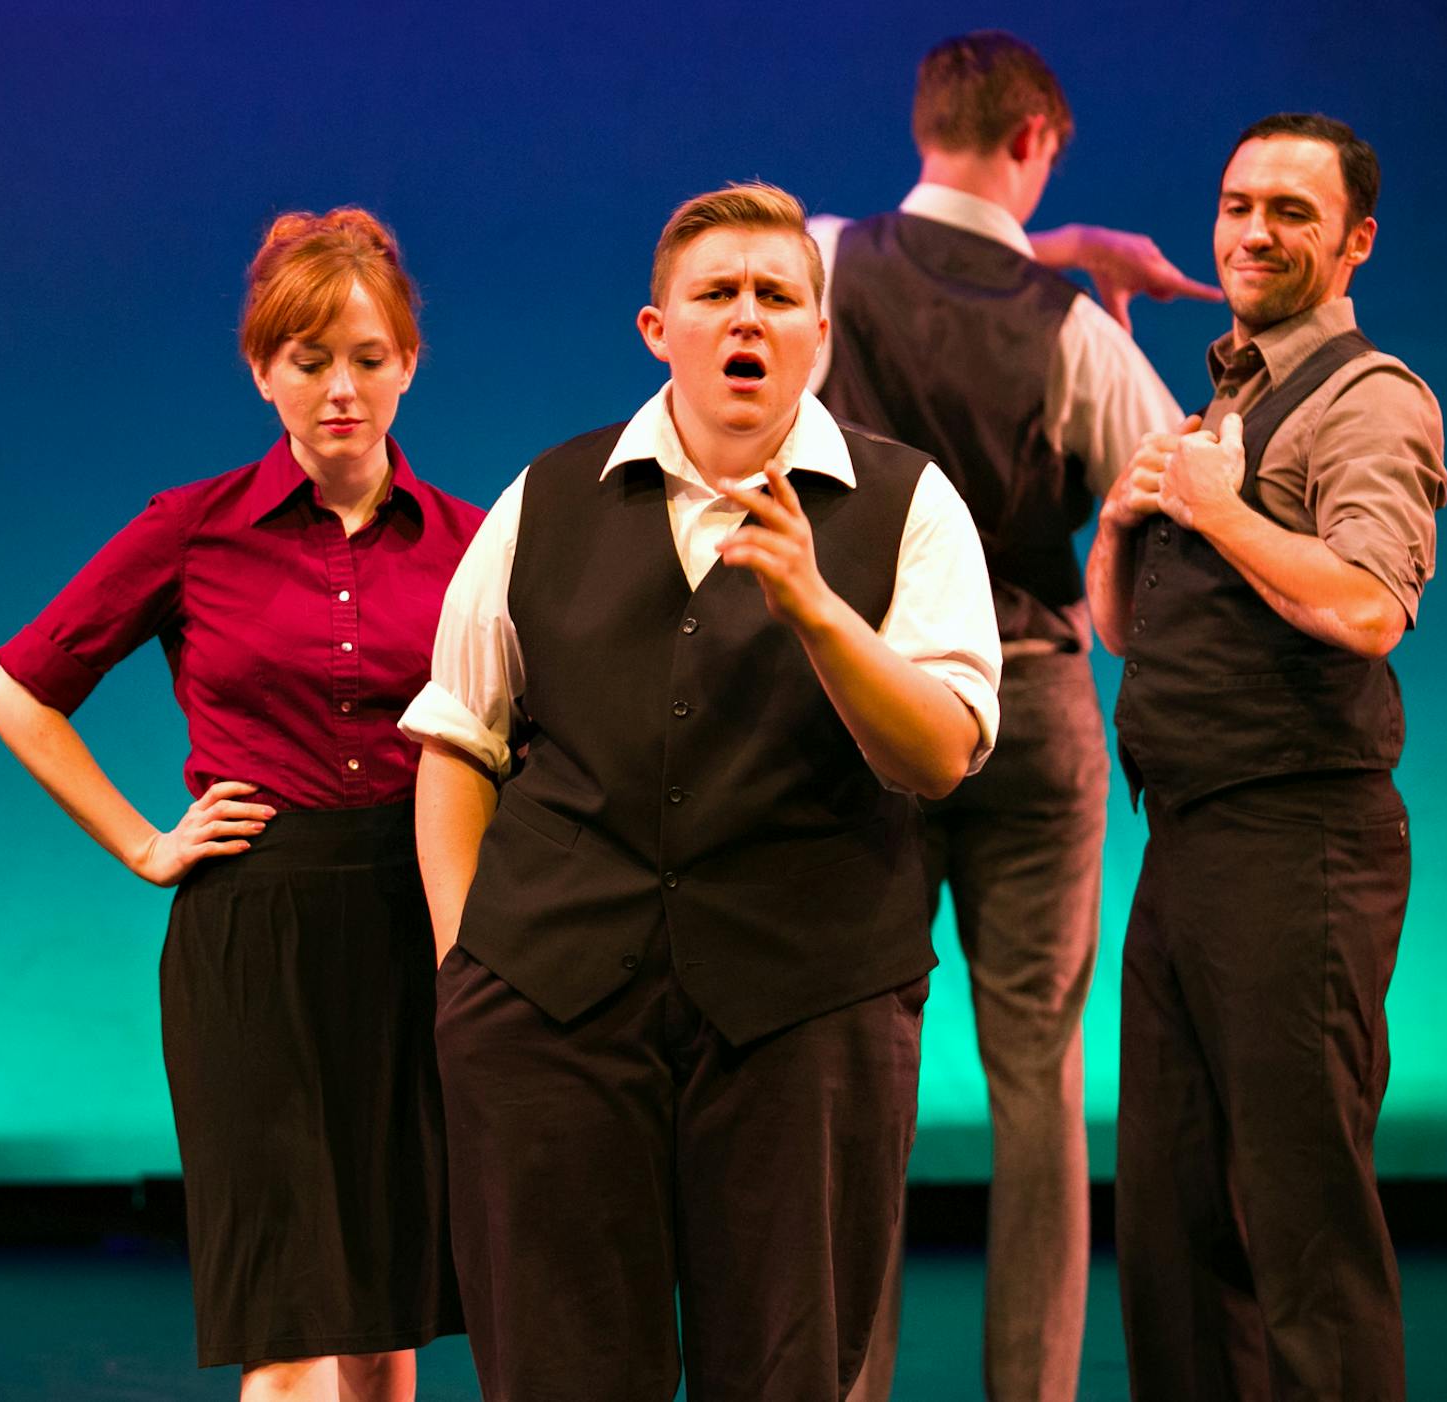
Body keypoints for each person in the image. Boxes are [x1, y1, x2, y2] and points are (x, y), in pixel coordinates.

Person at [403, 182, 1001, 1401]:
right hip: (552, 1005)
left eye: (778, 297)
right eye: (716, 294)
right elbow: (461, 739)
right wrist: (466, 964)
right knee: (561, 1370)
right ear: (655, 328)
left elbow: (941, 751)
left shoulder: (909, 505)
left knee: (787, 1371)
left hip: (806, 1007)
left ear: (819, 336)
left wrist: (819, 611)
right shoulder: (548, 497)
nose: (748, 318)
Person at [0, 208, 476, 1402]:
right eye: (309, 362)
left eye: (367, 358)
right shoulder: (191, 529)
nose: (341, 390)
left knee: (385, 1304)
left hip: (420, 926)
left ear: (409, 363)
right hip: (255, 929)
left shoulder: (470, 541)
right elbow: (17, 694)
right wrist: (148, 843)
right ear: (263, 373)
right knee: (290, 1308)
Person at [805, 33, 1205, 1401]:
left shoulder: (815, 262)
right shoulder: (1075, 332)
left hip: (865, 711)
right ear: (1034, 139)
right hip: (1028, 703)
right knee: (1036, 1071)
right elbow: (1181, 492)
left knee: (858, 1057)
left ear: (926, 124)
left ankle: (849, 1382)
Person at [1087, 113, 1446, 1401]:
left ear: (1354, 241)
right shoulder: (1220, 402)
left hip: (1300, 846)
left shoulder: (1371, 398)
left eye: (1292, 211)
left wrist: (1218, 508)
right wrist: (1130, 518)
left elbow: (1364, 605)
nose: (1254, 230)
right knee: (1175, 1234)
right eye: (1239, 203)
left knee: (1299, 1230)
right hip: (1184, 846)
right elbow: (1121, 633)